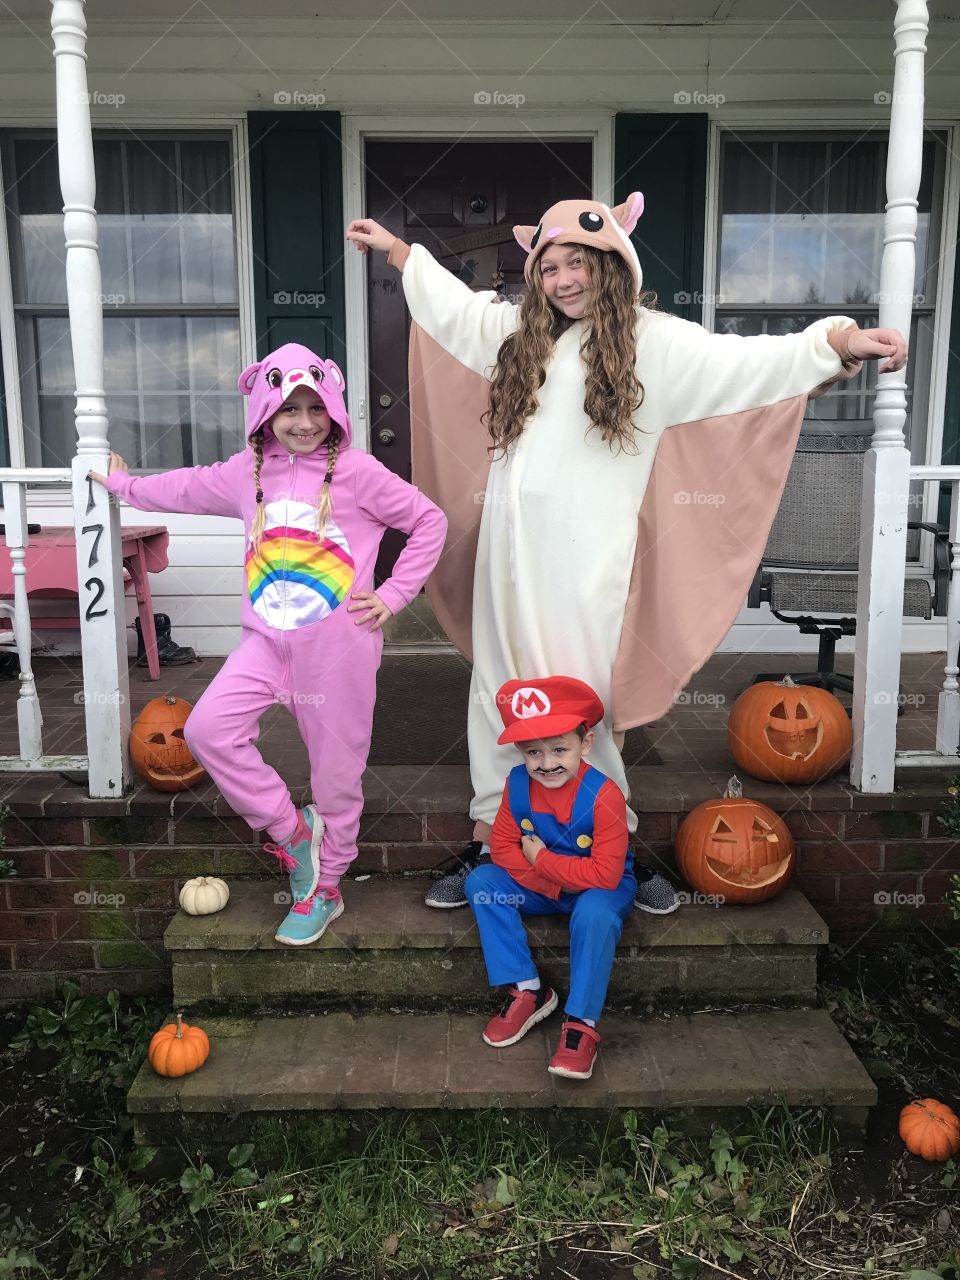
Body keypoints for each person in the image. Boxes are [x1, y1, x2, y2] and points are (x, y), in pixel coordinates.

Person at [345, 196, 907, 911]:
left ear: (611, 265)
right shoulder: (522, 335)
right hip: (506, 561)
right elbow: (457, 313)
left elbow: (743, 362)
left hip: (589, 567)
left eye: (577, 262)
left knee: (583, 701)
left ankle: (611, 846)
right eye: (548, 267)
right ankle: (496, 837)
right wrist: (400, 253)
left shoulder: (655, 344)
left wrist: (836, 342)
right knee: (500, 691)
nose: (562, 279)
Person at [89, 343, 447, 945]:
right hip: (263, 643)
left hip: (338, 650)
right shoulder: (246, 473)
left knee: (337, 774)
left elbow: (429, 521)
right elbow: (184, 487)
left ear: (332, 409)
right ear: (264, 413)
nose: (304, 423)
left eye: (315, 409)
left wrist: (392, 595)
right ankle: (291, 832)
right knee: (206, 731)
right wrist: (123, 483)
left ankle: (327, 887)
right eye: (289, 410)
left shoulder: (358, 473)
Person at [464, 675, 635, 1081]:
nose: (547, 763)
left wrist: (540, 859)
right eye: (533, 752)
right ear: (521, 752)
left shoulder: (604, 794)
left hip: (600, 891)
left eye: (560, 748)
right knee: (483, 883)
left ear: (585, 744)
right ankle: (528, 987)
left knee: (594, 915)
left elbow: (604, 873)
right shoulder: (517, 784)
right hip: (553, 886)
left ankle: (581, 1023)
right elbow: (503, 849)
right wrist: (554, 880)